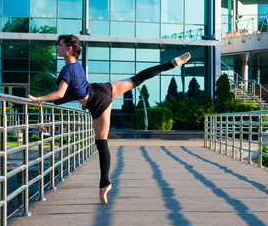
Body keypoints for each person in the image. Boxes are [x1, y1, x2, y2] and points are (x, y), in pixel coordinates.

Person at [28, 34, 191, 204]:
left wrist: (39, 98)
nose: (57, 48)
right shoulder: (77, 66)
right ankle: (172, 63)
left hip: (97, 101)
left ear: (69, 49)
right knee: (137, 79)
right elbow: (72, 91)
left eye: (59, 45)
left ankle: (104, 184)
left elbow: (61, 93)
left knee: (102, 143)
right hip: (102, 88)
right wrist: (46, 99)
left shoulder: (67, 69)